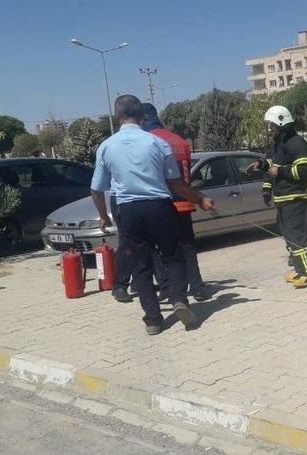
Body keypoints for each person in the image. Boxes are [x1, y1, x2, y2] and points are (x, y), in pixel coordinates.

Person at [91, 94, 214, 335]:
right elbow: (176, 184)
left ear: (117, 116)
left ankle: (153, 320)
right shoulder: (157, 143)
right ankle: (179, 299)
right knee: (173, 255)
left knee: (141, 265)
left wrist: (104, 216)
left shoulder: (106, 146)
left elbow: (96, 188)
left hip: (128, 210)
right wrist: (200, 200)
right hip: (159, 207)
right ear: (141, 115)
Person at [140, 103, 209, 302]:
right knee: (187, 246)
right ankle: (198, 287)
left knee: (160, 248)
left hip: (162, 204)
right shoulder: (180, 140)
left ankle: (167, 286)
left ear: (143, 119)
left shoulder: (149, 141)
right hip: (184, 202)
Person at [247, 105, 307, 288]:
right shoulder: (279, 144)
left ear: (281, 123)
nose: (270, 129)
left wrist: (280, 171)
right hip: (283, 199)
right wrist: (261, 164)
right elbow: (273, 164)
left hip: (294, 198)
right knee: (289, 237)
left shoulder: (296, 143)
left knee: (296, 236)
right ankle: (299, 268)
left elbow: (303, 170)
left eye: (272, 126)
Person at [263, 150, 307, 267]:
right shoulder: (272, 151)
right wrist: (266, 192)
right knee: (288, 230)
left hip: (302, 198)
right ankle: (295, 256)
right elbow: (267, 174)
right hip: (283, 200)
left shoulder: (299, 147)